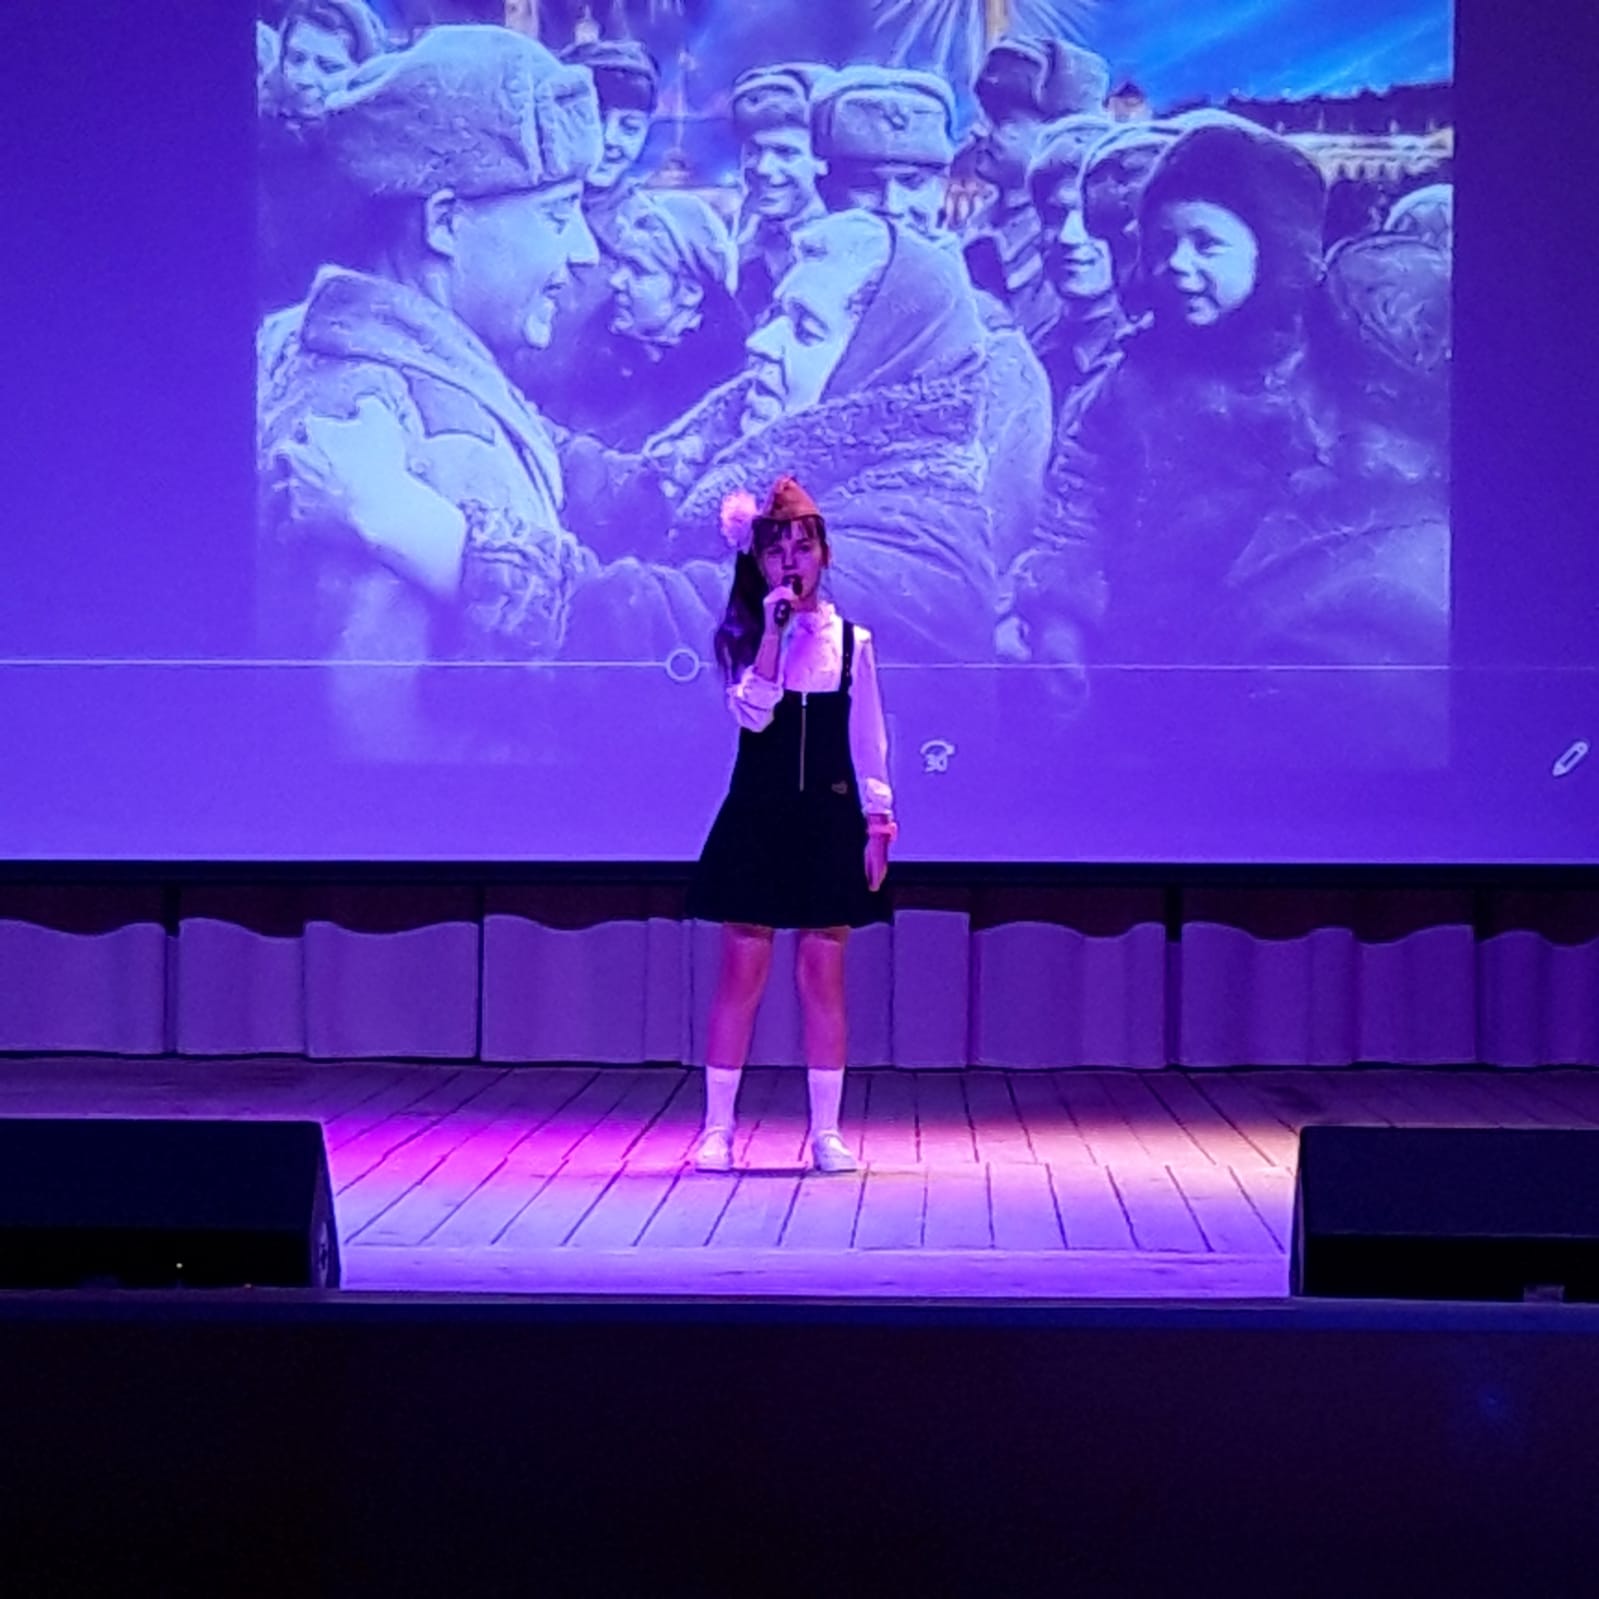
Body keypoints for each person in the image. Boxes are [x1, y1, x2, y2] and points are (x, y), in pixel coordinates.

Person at [258, 25, 601, 755]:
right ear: (444, 222)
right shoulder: (402, 425)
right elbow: (395, 754)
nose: (584, 250)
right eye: (557, 213)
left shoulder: (327, 342)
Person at [562, 208, 997, 666]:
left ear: (878, 370)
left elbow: (689, 626)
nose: (761, 342)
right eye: (775, 315)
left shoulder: (913, 551)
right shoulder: (746, 466)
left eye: (805, 330)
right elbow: (635, 489)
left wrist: (528, 586)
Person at [685, 475, 896, 1175]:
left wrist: (878, 820)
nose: (791, 563)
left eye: (803, 548)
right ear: (758, 561)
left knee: (822, 971)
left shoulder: (852, 640)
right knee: (742, 968)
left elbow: (868, 735)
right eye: (777, 551)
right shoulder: (743, 635)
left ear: (823, 554)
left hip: (828, 817)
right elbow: (753, 713)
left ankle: (826, 1132)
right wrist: (772, 635)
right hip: (758, 814)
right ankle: (717, 1129)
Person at [809, 65, 1052, 600]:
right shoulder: (795, 326)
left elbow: (997, 535)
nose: (894, 206)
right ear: (827, 192)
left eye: (914, 183)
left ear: (941, 186)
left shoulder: (992, 345)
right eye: (866, 185)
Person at [519, 38, 661, 416]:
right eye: (596, 118)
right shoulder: (515, 216)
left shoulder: (652, 233)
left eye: (630, 127)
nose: (610, 141)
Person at [554, 190, 747, 451]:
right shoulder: (591, 356)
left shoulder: (725, 390)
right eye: (620, 265)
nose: (615, 281)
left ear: (690, 292)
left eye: (638, 271)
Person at [963, 35, 1109, 348]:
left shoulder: (1076, 240)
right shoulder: (977, 227)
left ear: (1055, 132)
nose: (977, 130)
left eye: (1001, 121)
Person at [257, 0, 389, 312]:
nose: (303, 77)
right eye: (296, 59)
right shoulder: (254, 141)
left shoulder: (380, 170)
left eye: (328, 67)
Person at [1025, 115, 1124, 421]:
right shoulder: (1035, 345)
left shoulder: (1144, 360)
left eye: (1089, 216)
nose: (1069, 236)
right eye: (1055, 215)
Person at [728, 63, 832, 325]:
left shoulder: (843, 248)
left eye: (785, 153)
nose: (763, 168)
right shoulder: (742, 245)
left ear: (823, 160)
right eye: (753, 151)